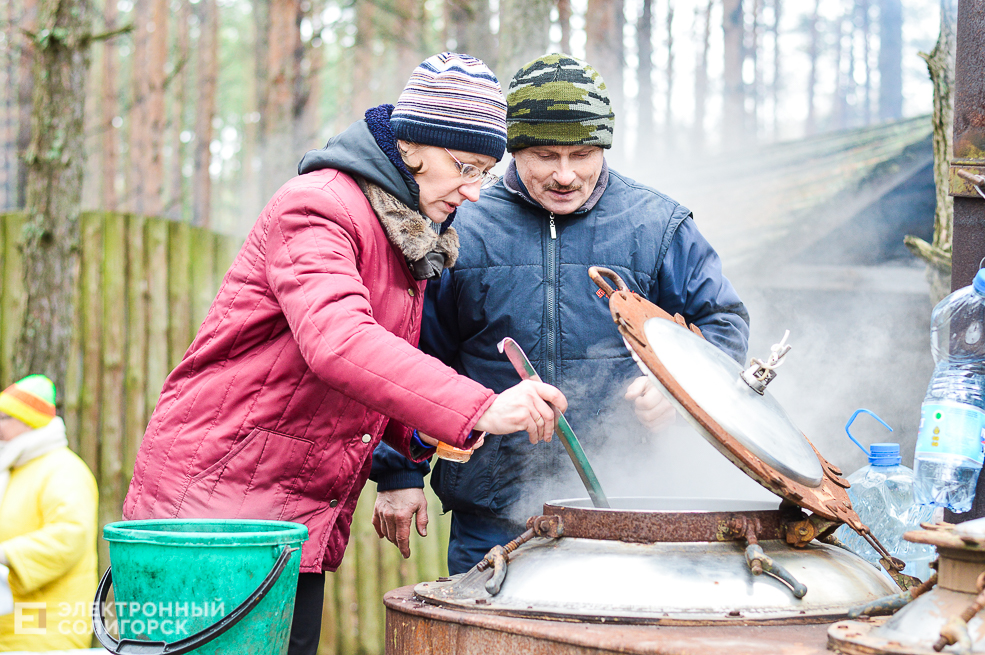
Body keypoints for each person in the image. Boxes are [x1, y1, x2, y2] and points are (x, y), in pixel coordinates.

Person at [122, 53, 566, 655]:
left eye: (486, 171)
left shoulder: (402, 229)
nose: (473, 189)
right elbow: (340, 343)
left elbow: (371, 377)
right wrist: (477, 407)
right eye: (463, 166)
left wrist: (410, 453)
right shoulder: (318, 206)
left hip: (281, 513)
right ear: (412, 146)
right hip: (215, 511)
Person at [371, 53, 751, 574]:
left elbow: (724, 323)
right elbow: (411, 353)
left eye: (583, 153)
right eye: (546, 154)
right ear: (512, 149)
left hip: (629, 512)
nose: (566, 174)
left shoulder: (656, 225)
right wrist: (398, 472)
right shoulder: (463, 222)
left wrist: (678, 388)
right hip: (490, 518)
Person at [0, 374, 98, 652]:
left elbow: (70, 536)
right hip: (11, 622)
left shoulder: (63, 470)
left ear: (27, 421)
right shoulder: (14, 466)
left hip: (47, 624)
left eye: (3, 418)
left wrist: (6, 554)